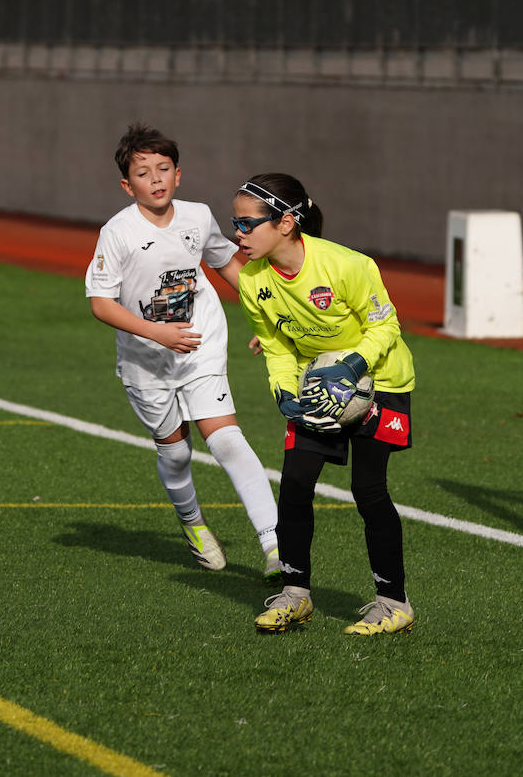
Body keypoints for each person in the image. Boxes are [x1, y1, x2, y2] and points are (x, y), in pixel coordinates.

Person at [85, 123, 281, 581]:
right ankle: (193, 525)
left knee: (226, 437)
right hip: (145, 359)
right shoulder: (117, 233)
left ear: (178, 175)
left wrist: (265, 316)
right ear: (126, 184)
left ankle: (275, 544)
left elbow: (227, 263)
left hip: (200, 345)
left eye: (163, 168)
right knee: (175, 453)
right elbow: (100, 304)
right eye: (143, 172)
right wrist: (157, 333)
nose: (155, 178)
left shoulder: (197, 216)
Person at [232, 173, 416, 635]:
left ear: (287, 222)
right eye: (234, 222)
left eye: (248, 223)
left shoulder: (348, 265)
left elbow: (386, 326)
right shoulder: (253, 280)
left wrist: (353, 366)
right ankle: (294, 594)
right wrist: (283, 392)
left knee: (368, 489)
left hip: (382, 381)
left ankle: (393, 603)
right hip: (316, 387)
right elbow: (276, 347)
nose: (239, 232)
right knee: (295, 482)